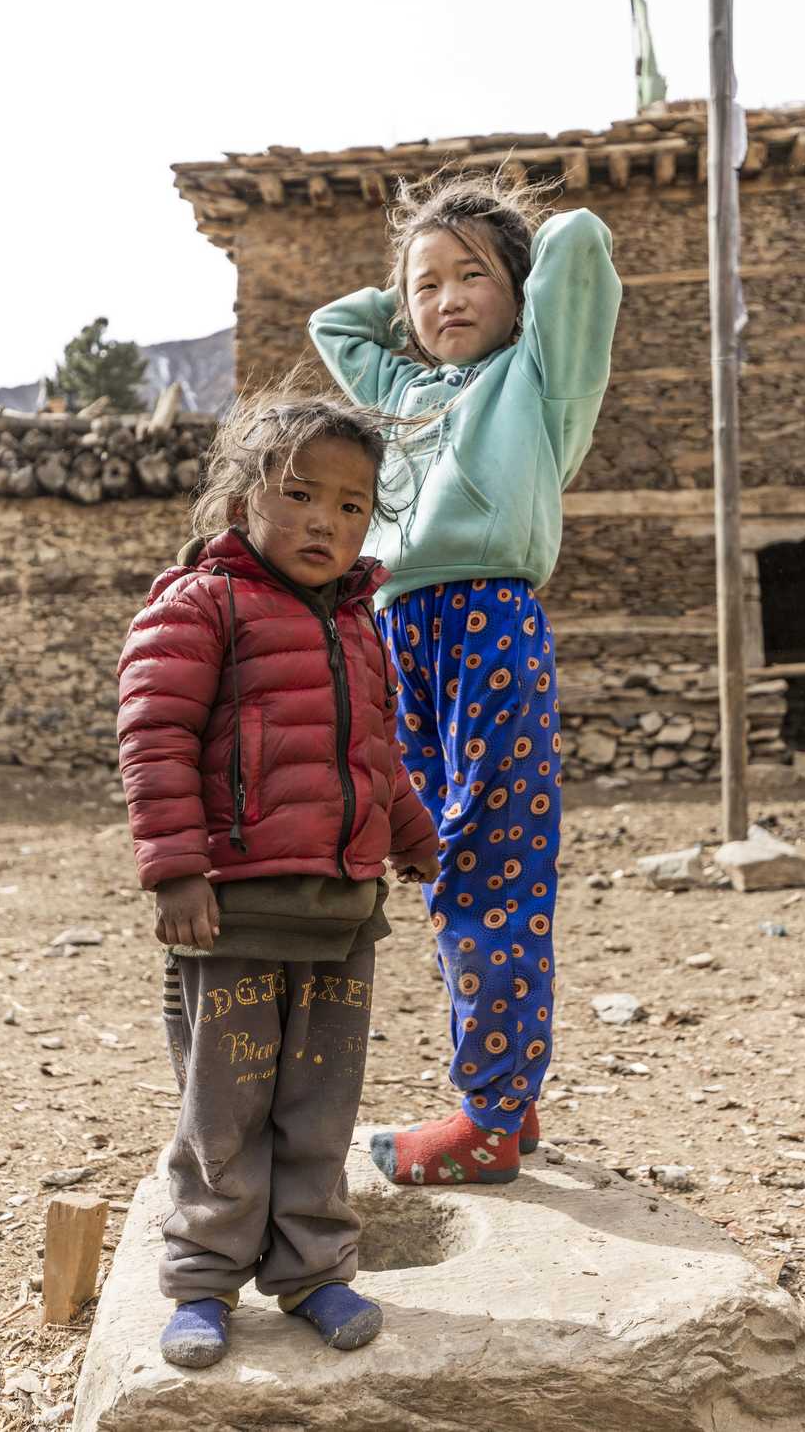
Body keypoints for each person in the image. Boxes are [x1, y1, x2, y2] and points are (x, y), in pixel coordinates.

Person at [309, 170, 621, 1187]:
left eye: (471, 276)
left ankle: (486, 1113)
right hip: (398, 635)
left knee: (492, 863)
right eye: (424, 285)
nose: (445, 299)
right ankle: (508, 1099)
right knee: (441, 866)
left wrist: (506, 257)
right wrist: (411, 281)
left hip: (489, 624)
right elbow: (336, 325)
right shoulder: (401, 394)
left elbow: (576, 244)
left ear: (520, 294)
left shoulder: (538, 375)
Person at [116, 391, 440, 1368]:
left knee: (319, 1102)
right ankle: (204, 1281)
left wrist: (414, 838)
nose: (326, 520)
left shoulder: (358, 623)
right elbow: (155, 734)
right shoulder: (201, 601)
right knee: (227, 1106)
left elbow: (373, 754)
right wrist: (175, 868)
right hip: (237, 912)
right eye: (299, 492)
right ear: (240, 496)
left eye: (351, 504)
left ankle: (312, 1270)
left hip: (343, 914)